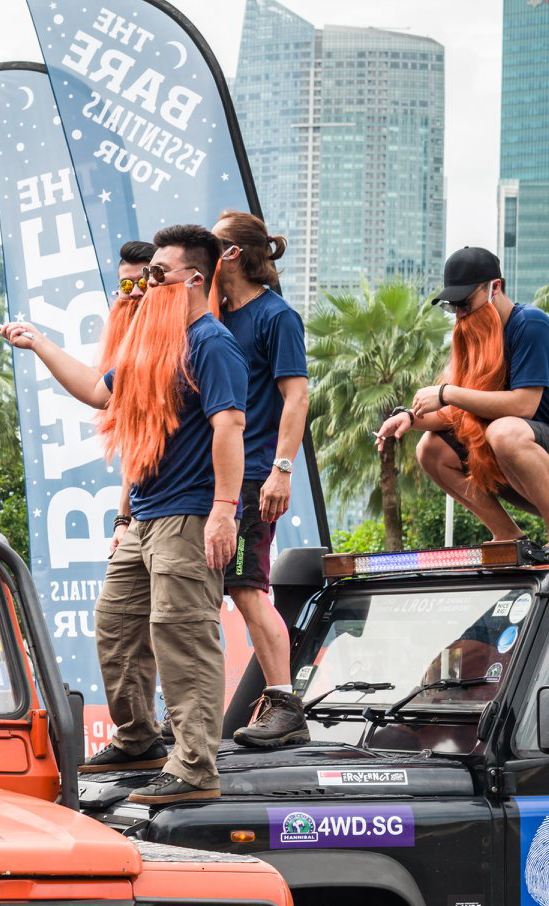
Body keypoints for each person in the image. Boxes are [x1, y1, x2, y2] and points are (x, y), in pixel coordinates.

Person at [2, 224, 247, 803]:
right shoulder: (151, 344)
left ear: (193, 278)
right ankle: (139, 739)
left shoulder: (211, 343)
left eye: (158, 273)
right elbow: (96, 390)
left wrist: (223, 511)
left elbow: (230, 426)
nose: (146, 284)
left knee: (182, 636)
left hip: (189, 514)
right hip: (143, 517)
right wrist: (38, 342)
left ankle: (194, 768)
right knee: (116, 624)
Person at [377, 247, 549, 551]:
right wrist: (409, 419)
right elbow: (461, 414)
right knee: (431, 449)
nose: (461, 314)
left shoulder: (530, 324)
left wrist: (446, 393)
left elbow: (522, 406)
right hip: (533, 474)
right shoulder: (477, 339)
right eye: (454, 307)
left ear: (495, 288)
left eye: (466, 303)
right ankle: (509, 536)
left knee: (502, 431)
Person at [209, 210, 311, 748]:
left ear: (232, 254)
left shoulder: (276, 317)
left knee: (248, 590)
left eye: (213, 243)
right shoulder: (213, 316)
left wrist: (281, 471)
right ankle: (194, 712)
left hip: (252, 477)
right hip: (209, 480)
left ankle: (285, 705)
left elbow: (297, 396)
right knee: (198, 595)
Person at [101, 240, 157, 369]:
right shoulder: (111, 345)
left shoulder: (191, 335)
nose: (135, 293)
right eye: (126, 285)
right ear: (118, 292)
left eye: (144, 283)